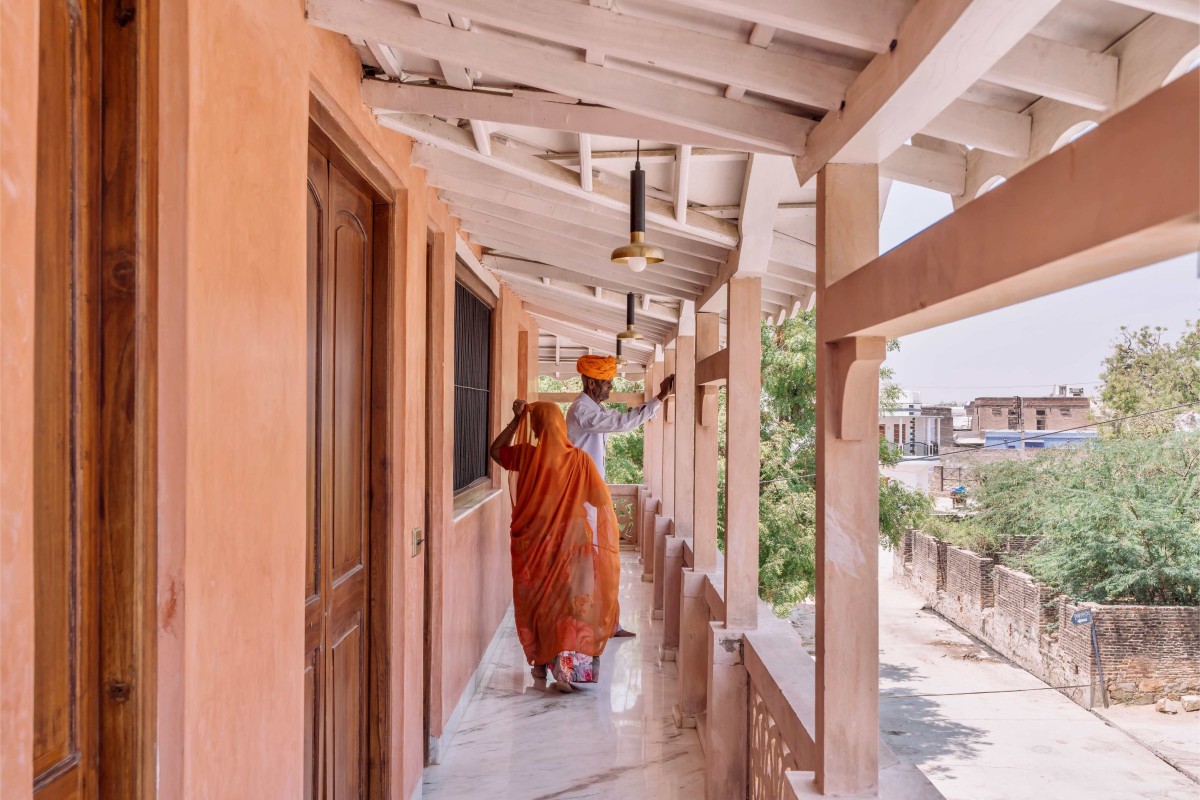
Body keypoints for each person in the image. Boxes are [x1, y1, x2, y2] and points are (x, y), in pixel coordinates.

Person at [489, 400, 621, 693]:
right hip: (574, 543)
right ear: (562, 426)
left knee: (541, 605)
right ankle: (566, 670)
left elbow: (496, 451)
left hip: (536, 546)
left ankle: (539, 668)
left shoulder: (527, 456)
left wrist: (515, 421)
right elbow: (600, 501)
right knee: (573, 607)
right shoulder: (581, 461)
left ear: (535, 429)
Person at [567, 354, 674, 637]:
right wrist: (659, 398)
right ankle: (587, 624)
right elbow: (622, 423)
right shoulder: (582, 411)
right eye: (606, 383)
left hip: (592, 499)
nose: (609, 389)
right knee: (590, 564)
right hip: (582, 502)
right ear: (591, 383)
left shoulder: (590, 409)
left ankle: (607, 622)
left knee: (605, 563)